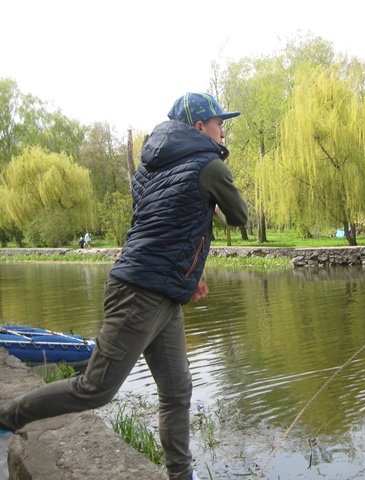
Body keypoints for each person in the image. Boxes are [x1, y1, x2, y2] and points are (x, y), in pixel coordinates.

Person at [0, 92, 249, 480]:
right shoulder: (210, 165)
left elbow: (161, 224)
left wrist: (188, 274)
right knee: (95, 388)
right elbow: (240, 216)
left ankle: (180, 475)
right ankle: (6, 417)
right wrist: (214, 202)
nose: (223, 132)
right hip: (140, 294)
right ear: (200, 126)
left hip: (160, 291)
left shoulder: (151, 164)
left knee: (177, 390)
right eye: (219, 124)